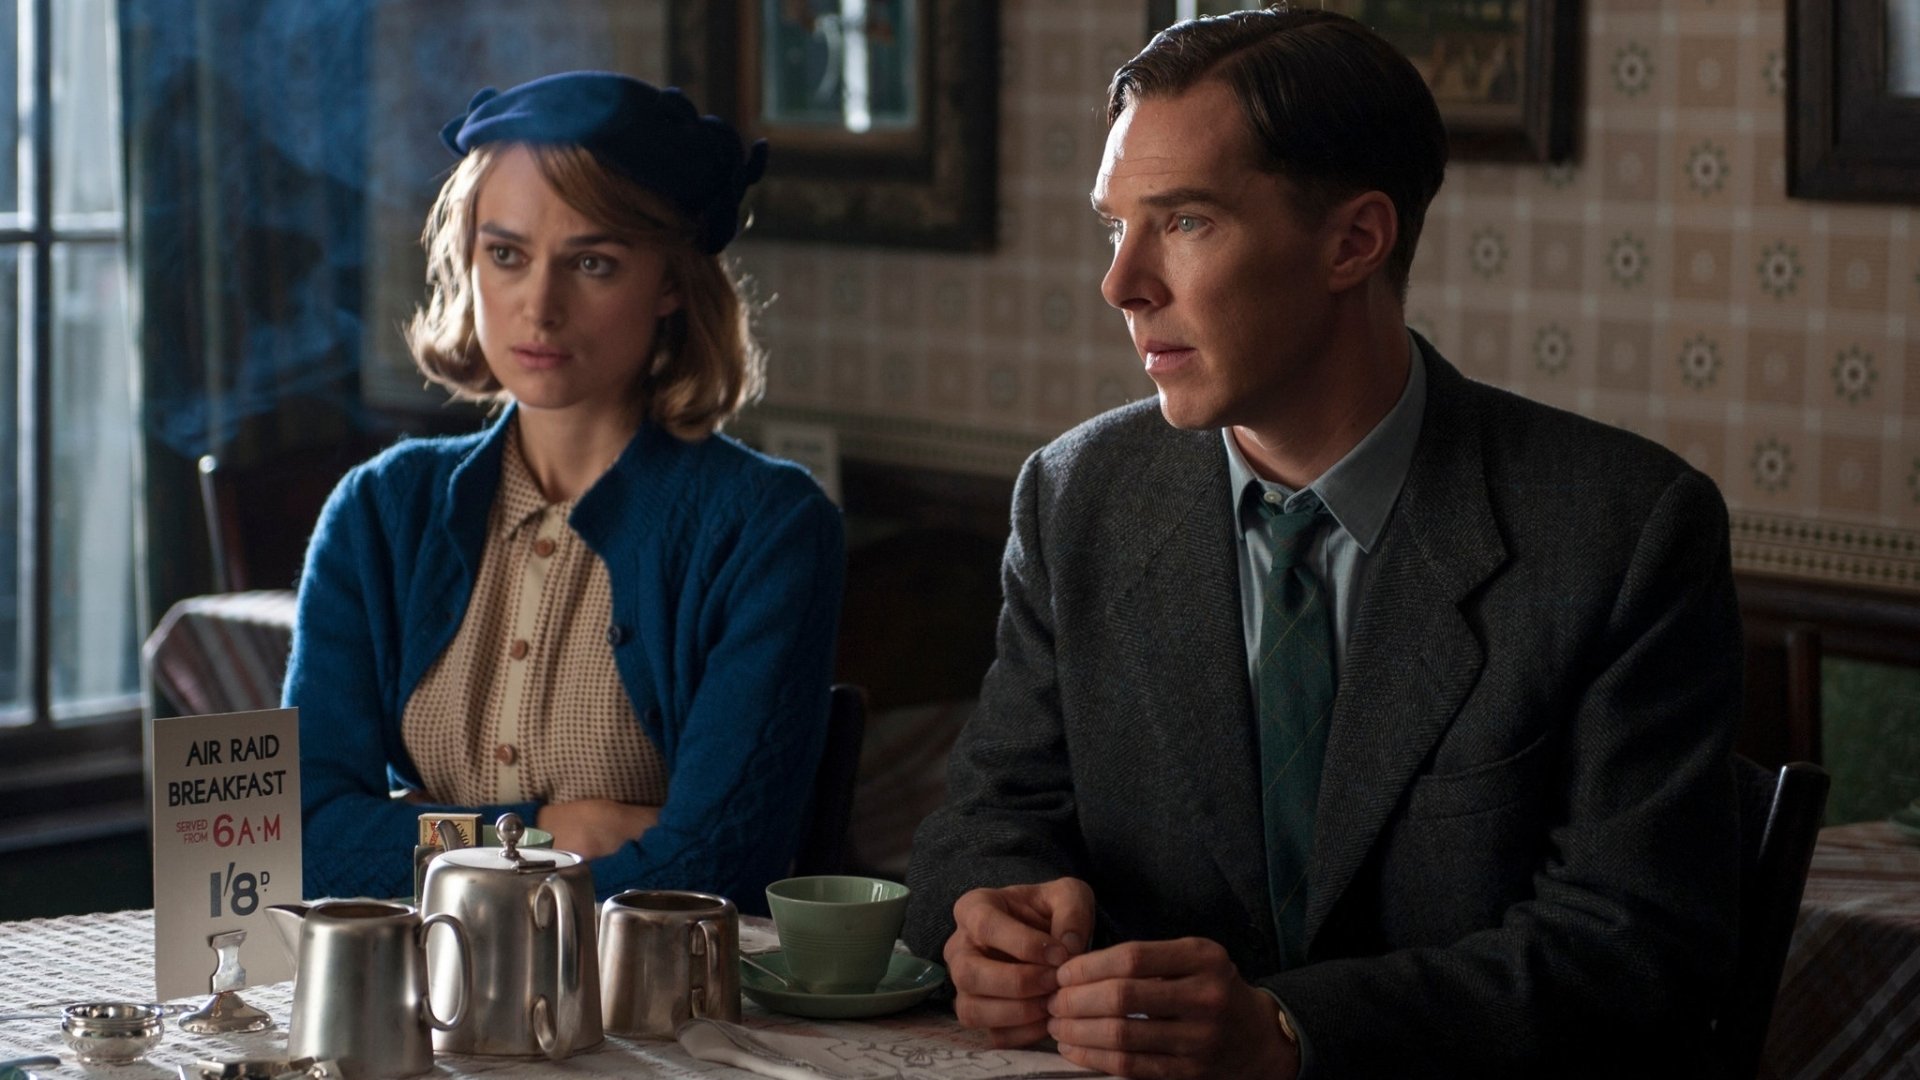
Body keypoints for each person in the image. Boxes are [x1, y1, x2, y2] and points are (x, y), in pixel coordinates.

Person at [903, 9, 1742, 1078]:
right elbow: (985, 822)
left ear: (1354, 241)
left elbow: (1635, 958)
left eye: (1186, 222)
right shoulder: (1077, 498)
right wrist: (987, 922)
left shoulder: (1620, 531)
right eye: (1114, 227)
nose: (1122, 285)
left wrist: (1293, 1032)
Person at [286, 72, 845, 910]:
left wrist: (419, 833)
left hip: (661, 1018)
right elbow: (303, 841)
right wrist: (545, 834)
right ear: (466, 261)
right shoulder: (379, 512)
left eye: (592, 262)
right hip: (420, 1007)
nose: (538, 308)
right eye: (505, 254)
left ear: (668, 283)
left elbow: (712, 868)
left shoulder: (766, 527)